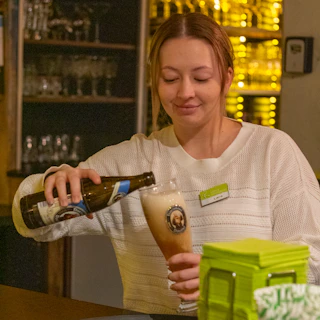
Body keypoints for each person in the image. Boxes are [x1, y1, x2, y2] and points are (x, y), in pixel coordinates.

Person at [12, 12, 320, 315]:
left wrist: (230, 278)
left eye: (201, 77)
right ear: (155, 82)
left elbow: (311, 270)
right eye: (170, 78)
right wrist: (52, 181)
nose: (185, 92)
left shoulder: (272, 152)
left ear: (227, 78)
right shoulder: (133, 160)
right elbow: (32, 223)